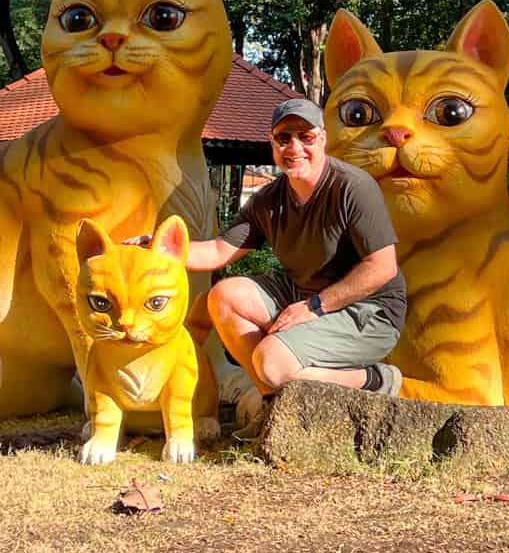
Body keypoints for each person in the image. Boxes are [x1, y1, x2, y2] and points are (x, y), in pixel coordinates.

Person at [151, 96, 406, 429]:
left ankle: (374, 380)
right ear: (272, 143)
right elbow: (217, 252)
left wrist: (314, 306)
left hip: (369, 311)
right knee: (224, 297)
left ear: (323, 139)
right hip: (303, 295)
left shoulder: (353, 187)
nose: (295, 147)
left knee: (270, 362)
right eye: (284, 137)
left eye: (306, 136)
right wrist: (155, 248)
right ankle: (272, 402)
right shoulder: (268, 200)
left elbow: (382, 267)